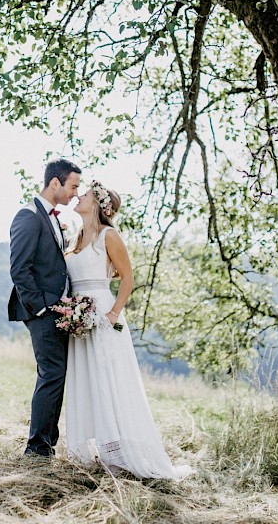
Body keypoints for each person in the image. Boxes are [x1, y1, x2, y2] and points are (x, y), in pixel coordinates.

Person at [63, 181, 193, 479]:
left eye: (84, 194)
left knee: (109, 381)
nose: (78, 195)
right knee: (86, 379)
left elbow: (127, 279)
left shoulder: (109, 236)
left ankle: (118, 456)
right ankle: (89, 450)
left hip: (103, 317)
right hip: (79, 320)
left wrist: (112, 314)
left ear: (96, 203)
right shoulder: (75, 238)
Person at [8, 159, 82, 457]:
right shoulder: (28, 216)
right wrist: (41, 308)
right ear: (55, 183)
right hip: (43, 313)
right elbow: (19, 269)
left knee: (56, 375)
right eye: (73, 186)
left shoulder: (52, 217)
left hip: (60, 312)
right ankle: (37, 448)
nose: (75, 193)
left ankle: (47, 443)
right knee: (51, 374)